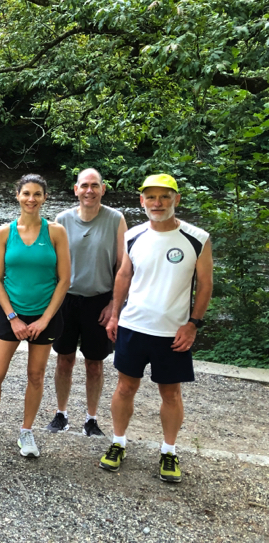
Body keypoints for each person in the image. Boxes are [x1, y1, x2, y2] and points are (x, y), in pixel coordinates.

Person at [100, 174, 212, 483]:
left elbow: (205, 285)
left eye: (165, 197)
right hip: (133, 326)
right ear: (142, 201)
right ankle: (118, 442)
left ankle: (169, 451)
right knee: (125, 387)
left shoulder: (196, 238)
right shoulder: (133, 235)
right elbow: (124, 275)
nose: (158, 203)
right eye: (151, 197)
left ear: (176, 200)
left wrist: (193, 325)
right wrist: (114, 314)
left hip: (172, 332)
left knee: (171, 393)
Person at [0, 174, 70, 458]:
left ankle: (26, 432)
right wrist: (13, 317)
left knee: (35, 375)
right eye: (26, 193)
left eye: (37, 194)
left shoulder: (56, 232)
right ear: (17, 195)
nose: (31, 199)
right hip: (12, 314)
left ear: (45, 197)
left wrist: (44, 320)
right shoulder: (3, 232)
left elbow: (64, 280)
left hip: (44, 316)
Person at [46, 168, 126, 436]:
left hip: (99, 301)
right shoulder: (62, 219)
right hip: (66, 299)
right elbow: (53, 264)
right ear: (76, 189)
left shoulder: (115, 219)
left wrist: (114, 305)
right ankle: (61, 414)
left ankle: (91, 419)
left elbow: (122, 266)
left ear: (103, 189)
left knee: (95, 363)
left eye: (95, 185)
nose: (89, 190)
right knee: (63, 359)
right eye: (84, 185)